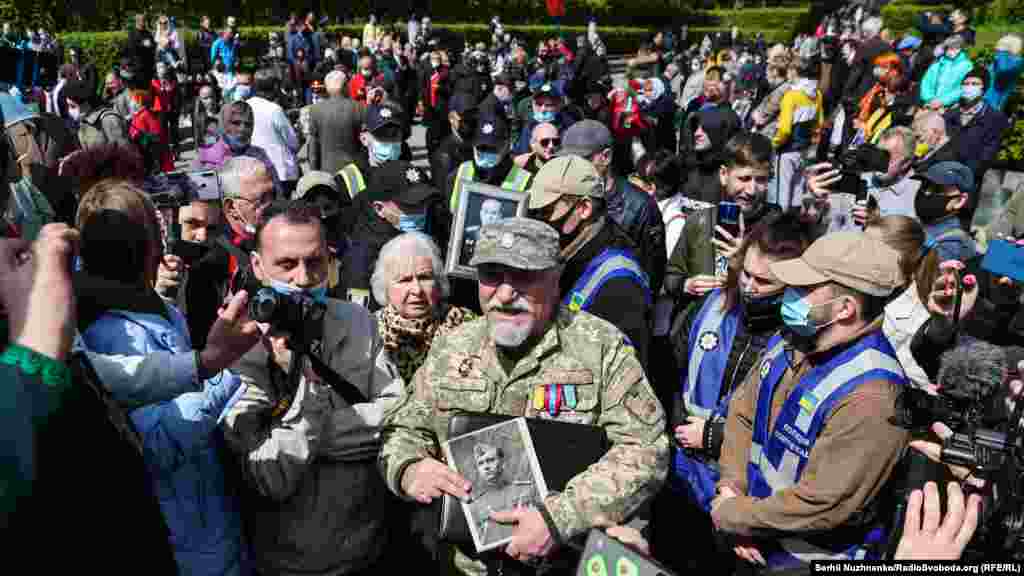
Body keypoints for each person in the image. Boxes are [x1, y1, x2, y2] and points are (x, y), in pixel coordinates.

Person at [380, 217, 668, 576]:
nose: (505, 294)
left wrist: (558, 518)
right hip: (466, 565)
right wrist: (409, 468)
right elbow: (403, 428)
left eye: (523, 276)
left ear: (555, 278)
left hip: (565, 561)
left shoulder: (600, 347)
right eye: (491, 275)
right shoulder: (453, 346)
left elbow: (645, 450)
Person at [221, 199, 404, 576]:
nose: (303, 279)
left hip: (368, 546)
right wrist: (312, 398)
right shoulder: (240, 348)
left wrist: (306, 435)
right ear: (257, 265)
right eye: (287, 265)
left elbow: (398, 413)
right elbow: (270, 476)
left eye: (315, 262)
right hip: (289, 562)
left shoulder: (357, 322)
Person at [76, 180, 248, 575]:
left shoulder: (153, 307)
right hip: (185, 538)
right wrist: (228, 368)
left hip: (207, 516)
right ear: (150, 247)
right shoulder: (111, 332)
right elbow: (157, 445)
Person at [711, 231, 908, 571]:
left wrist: (737, 515)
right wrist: (731, 491)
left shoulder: (874, 397)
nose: (790, 293)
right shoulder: (792, 338)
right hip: (745, 534)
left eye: (804, 289)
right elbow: (743, 413)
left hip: (799, 560)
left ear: (845, 309)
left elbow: (822, 503)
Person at [657, 212, 810, 574]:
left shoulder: (801, 343)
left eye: (764, 281)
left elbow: (791, 436)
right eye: (746, 274)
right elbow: (669, 373)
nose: (749, 287)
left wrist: (714, 437)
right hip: (680, 474)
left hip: (742, 493)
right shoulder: (711, 306)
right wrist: (676, 428)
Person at [526, 155, 654, 367]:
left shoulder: (620, 281)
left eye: (547, 211)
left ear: (584, 208)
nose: (540, 222)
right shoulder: (570, 253)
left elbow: (625, 371)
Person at [666, 132, 778, 314]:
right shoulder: (699, 221)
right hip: (701, 321)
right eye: (744, 178)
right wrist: (687, 285)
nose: (751, 190)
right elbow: (672, 276)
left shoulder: (776, 225)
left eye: (761, 180)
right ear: (724, 175)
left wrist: (742, 264)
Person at [559, 119, 667, 297]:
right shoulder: (563, 196)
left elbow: (653, 273)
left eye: (582, 160)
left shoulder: (640, 206)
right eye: (568, 161)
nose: (573, 168)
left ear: (606, 157)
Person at [372, 232, 477, 384]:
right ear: (385, 286)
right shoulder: (370, 331)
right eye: (404, 280)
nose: (417, 289)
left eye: (424, 277)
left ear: (438, 281)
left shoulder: (467, 325)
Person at [341, 161, 443, 309]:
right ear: (379, 208)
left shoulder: (433, 233)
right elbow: (359, 316)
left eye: (424, 203)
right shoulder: (362, 260)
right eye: (409, 206)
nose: (420, 211)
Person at [867, 215, 935, 389]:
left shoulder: (913, 320)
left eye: (868, 248)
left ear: (899, 258)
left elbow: (921, 385)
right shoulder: (873, 292)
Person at [447, 113, 533, 214]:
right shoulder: (459, 173)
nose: (486, 152)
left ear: (506, 146)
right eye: (481, 148)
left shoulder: (525, 181)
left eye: (493, 149)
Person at [771, 46, 822, 212]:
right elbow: (818, 123)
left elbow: (784, 130)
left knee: (781, 196)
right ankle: (794, 224)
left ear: (794, 71)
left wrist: (773, 144)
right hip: (803, 150)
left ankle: (779, 225)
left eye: (789, 70)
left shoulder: (791, 96)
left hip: (786, 150)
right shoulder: (817, 94)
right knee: (796, 195)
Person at [193, 101, 281, 195]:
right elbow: (201, 198)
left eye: (248, 124)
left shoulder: (260, 155)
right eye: (236, 123)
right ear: (224, 124)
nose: (242, 129)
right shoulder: (207, 158)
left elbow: (277, 193)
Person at [943, 66, 1011, 183]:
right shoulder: (950, 115)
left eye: (975, 84)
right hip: (941, 172)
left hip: (966, 179)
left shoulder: (995, 119)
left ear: (984, 88)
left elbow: (987, 154)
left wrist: (961, 177)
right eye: (966, 84)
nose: (969, 87)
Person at [469, 442, 538, 546]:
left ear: (503, 463)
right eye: (481, 463)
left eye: (490, 460)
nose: (486, 467)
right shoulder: (475, 505)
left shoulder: (525, 489)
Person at [247, 69, 300, 196]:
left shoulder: (245, 106)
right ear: (274, 87)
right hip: (279, 171)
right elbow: (293, 142)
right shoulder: (274, 110)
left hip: (253, 169)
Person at [915, 161, 977, 262]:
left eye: (938, 189)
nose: (927, 192)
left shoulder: (949, 244)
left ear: (960, 201)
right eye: (925, 185)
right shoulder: (923, 221)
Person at [309, 70, 368, 175]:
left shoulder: (316, 110)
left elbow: (313, 146)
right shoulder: (359, 108)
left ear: (327, 88)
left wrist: (314, 172)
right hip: (354, 171)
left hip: (328, 171)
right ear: (346, 86)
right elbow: (366, 143)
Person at [64, 78, 129, 150]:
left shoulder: (108, 119)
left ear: (85, 104)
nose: (69, 110)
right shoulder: (83, 123)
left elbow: (125, 151)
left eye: (72, 106)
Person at [431, 92, 477, 192]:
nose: (470, 120)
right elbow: (442, 193)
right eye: (464, 116)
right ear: (451, 118)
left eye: (473, 115)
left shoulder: (478, 144)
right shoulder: (444, 156)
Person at [920, 36, 973, 112]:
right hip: (929, 103)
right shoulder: (938, 63)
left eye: (955, 48)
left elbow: (963, 87)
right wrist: (929, 98)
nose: (950, 51)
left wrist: (943, 101)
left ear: (961, 48)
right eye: (948, 48)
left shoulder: (967, 66)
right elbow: (926, 82)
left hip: (949, 106)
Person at [985, 34, 1023, 112]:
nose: (997, 47)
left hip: (994, 104)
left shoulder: (1017, 62)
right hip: (986, 100)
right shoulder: (1001, 59)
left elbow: (1003, 71)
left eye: (1002, 44)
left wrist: (1002, 52)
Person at [461, 198, 504, 265]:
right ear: (481, 214)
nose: (489, 217)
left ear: (500, 216)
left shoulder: (504, 238)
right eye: (486, 212)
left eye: (494, 213)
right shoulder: (468, 233)